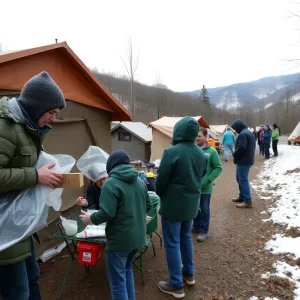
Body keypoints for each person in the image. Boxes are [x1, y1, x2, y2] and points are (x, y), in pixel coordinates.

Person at [0, 71, 66, 299]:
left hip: (19, 227)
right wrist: (36, 177)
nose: (53, 119)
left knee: (32, 280)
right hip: (4, 231)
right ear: (35, 106)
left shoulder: (28, 128)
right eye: (51, 112)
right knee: (16, 292)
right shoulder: (5, 128)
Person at [80, 150, 152, 300]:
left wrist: (90, 218)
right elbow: (148, 206)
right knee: (127, 272)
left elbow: (107, 213)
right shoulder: (139, 181)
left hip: (119, 241)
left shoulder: (110, 184)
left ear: (110, 166)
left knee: (118, 283)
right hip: (138, 238)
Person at [155, 117, 207, 299]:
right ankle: (189, 274)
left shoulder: (172, 152)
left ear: (178, 131)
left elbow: (160, 181)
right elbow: (202, 174)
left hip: (173, 206)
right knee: (185, 238)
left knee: (172, 243)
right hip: (191, 205)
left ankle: (176, 284)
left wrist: (160, 193)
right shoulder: (201, 153)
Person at [193, 128, 222, 242]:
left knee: (204, 209)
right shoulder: (193, 150)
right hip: (193, 186)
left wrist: (208, 179)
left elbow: (218, 168)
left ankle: (204, 230)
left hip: (205, 188)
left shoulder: (212, 151)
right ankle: (196, 225)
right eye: (195, 136)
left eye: (199, 136)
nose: (196, 138)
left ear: (206, 137)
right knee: (195, 207)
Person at [231, 119, 256, 208]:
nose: (235, 130)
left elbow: (242, 147)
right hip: (247, 160)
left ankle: (247, 201)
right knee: (239, 179)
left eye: (235, 128)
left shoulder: (243, 134)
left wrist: (234, 154)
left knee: (243, 180)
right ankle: (242, 196)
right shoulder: (249, 132)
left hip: (243, 161)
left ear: (239, 126)